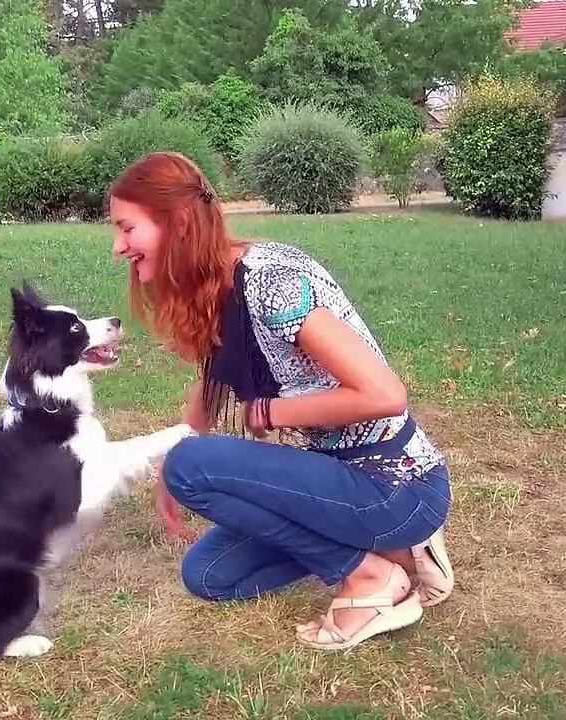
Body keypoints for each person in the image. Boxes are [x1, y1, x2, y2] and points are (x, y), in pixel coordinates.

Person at [104, 151, 454, 651]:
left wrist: (271, 412)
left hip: (395, 486)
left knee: (191, 466)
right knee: (209, 574)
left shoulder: (271, 281)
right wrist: (171, 468)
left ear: (178, 222)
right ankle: (394, 551)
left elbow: (385, 395)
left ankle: (372, 577)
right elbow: (212, 376)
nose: (118, 246)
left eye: (127, 228)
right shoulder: (214, 285)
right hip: (331, 483)